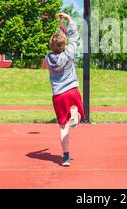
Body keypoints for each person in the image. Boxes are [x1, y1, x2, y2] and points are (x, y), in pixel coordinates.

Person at [46, 13, 85, 167]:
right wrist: (69, 19)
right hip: (72, 90)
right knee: (79, 115)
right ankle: (76, 116)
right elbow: (75, 37)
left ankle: (66, 157)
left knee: (63, 126)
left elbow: (57, 44)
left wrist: (57, 33)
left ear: (51, 46)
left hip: (59, 95)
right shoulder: (68, 52)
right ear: (64, 45)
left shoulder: (47, 58)